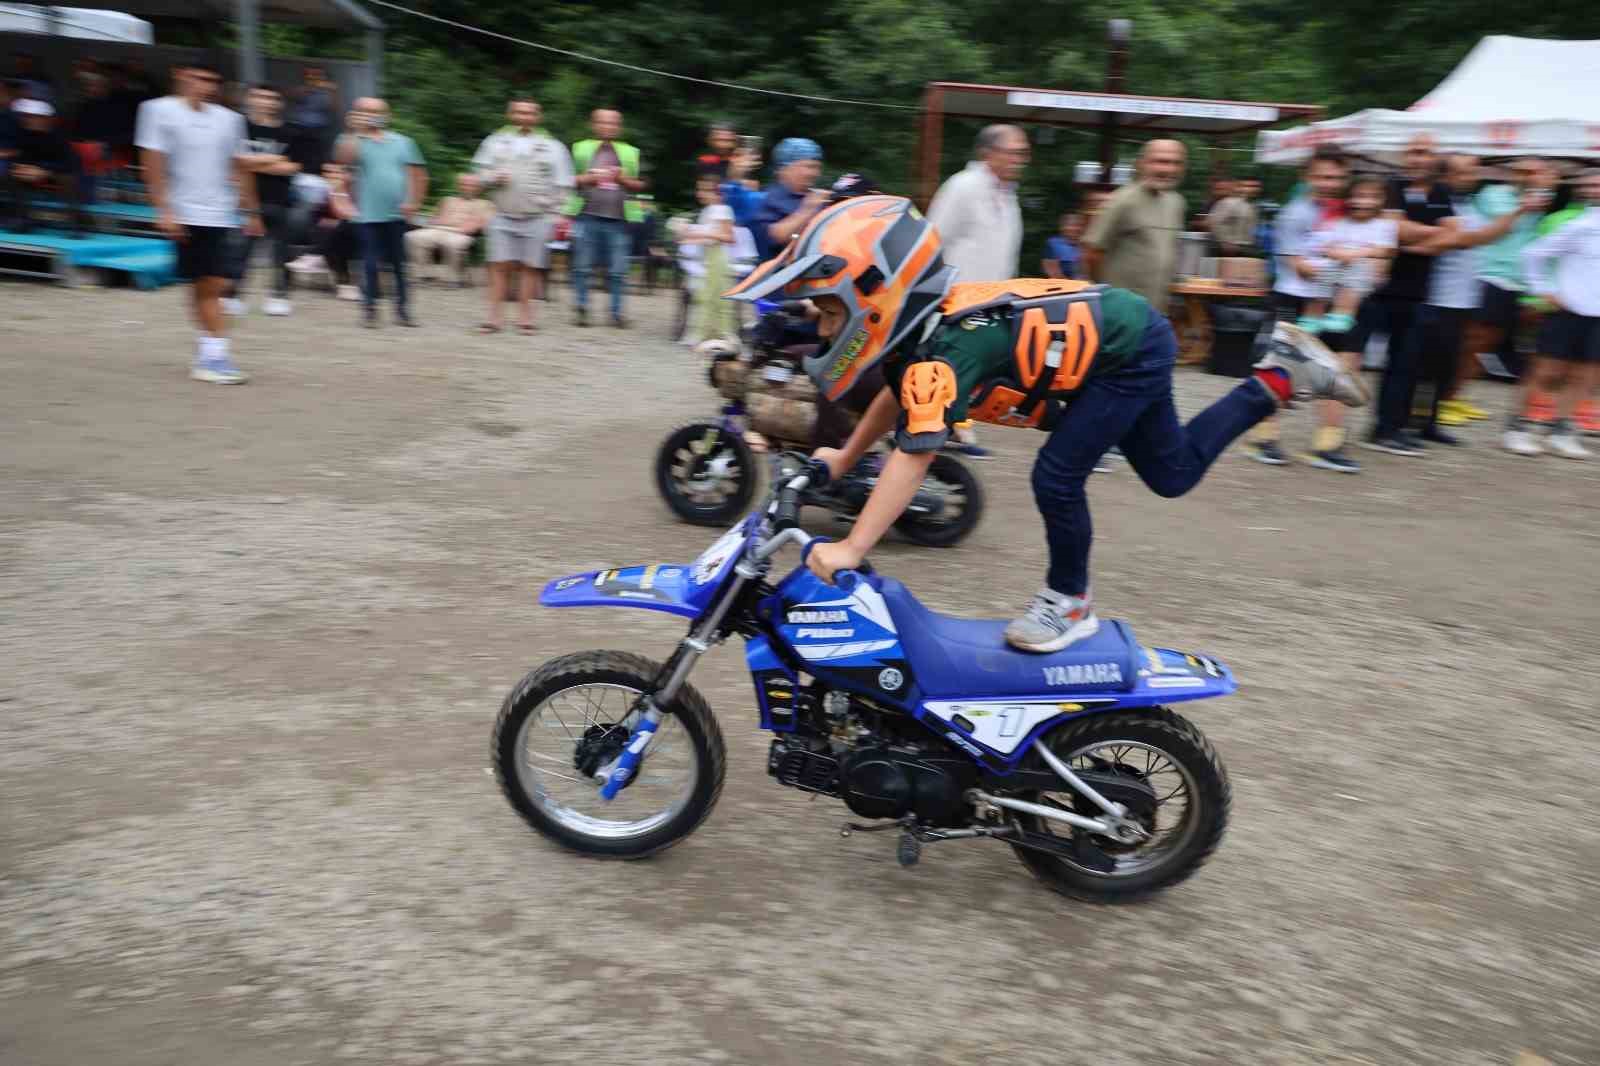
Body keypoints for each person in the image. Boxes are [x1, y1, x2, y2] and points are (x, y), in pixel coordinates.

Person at [728, 196, 1367, 651]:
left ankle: (1070, 602)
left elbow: (913, 454)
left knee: (1056, 477)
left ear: (876, 294)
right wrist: (841, 459)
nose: (820, 326)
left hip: (1126, 348)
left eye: (827, 310)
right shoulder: (917, 342)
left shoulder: (951, 351)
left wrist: (852, 547)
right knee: (1172, 474)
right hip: (1121, 340)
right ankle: (1280, 375)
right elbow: (895, 401)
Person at [136, 62, 261, 384]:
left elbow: (240, 166)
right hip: (185, 212)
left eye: (213, 80)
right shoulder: (156, 111)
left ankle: (209, 352)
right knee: (209, 285)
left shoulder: (230, 120)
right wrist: (163, 210)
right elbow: (152, 164)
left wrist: (252, 211)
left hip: (221, 213)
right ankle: (214, 356)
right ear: (181, 75)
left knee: (211, 284)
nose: (207, 85)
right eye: (200, 77)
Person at [1451, 157, 1558, 420]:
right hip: (1488, 275)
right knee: (1471, 341)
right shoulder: (1494, 194)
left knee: (1488, 345)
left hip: (1515, 281)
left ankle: (1456, 397)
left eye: (1536, 173)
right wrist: (1524, 205)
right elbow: (1500, 229)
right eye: (1525, 172)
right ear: (1513, 173)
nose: (1530, 177)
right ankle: (1444, 398)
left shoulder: (1535, 199)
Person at [1509, 169, 1600, 460]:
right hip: (1567, 311)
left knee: (1585, 376)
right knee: (1547, 372)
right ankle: (1518, 427)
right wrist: (1542, 290)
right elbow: (1533, 254)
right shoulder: (1582, 224)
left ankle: (1562, 429)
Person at [474, 96, 574, 333]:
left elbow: (564, 183)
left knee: (531, 267)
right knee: (498, 266)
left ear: (538, 117)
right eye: (519, 113)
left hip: (538, 216)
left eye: (529, 113)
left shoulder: (553, 147)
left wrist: (557, 215)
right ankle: (494, 317)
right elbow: (478, 174)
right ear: (510, 115)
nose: (524, 117)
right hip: (502, 213)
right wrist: (492, 177)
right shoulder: (495, 141)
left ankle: (525, 317)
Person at [336, 97, 427, 328]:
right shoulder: (353, 141)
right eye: (365, 111)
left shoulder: (404, 142)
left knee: (399, 264)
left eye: (376, 111)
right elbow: (343, 161)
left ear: (387, 115)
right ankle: (369, 309)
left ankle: (403, 310)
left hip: (396, 214)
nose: (371, 115)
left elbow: (418, 175)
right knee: (369, 262)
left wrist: (414, 202)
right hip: (367, 214)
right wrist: (354, 131)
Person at [227, 84, 309, 317]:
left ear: (280, 103)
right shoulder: (239, 127)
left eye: (273, 98)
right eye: (261, 96)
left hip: (281, 200)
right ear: (250, 99)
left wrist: (251, 162)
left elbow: (291, 167)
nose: (267, 101)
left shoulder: (291, 131)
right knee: (240, 252)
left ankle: (278, 296)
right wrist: (272, 159)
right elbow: (235, 164)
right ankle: (234, 296)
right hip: (244, 201)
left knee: (280, 253)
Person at [1085, 139, 1187, 315]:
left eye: (1175, 163)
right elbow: (1092, 252)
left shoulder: (1176, 202)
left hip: (1157, 312)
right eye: (1160, 161)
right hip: (1121, 313)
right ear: (1141, 164)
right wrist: (1109, 295)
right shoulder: (1122, 200)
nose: (1168, 169)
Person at [567, 108, 645, 328]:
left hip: (619, 219)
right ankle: (581, 308)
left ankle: (616, 313)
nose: (608, 127)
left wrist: (623, 179)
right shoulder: (580, 149)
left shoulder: (630, 152)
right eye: (603, 122)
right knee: (581, 266)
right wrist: (589, 178)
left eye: (613, 123)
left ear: (619, 127)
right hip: (585, 215)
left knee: (618, 270)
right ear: (594, 125)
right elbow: (567, 179)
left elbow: (640, 185)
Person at [927, 124, 1027, 283]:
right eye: (1012, 153)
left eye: (1022, 153)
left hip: (994, 300)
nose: (1018, 160)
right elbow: (932, 243)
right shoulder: (962, 186)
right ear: (987, 153)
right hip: (959, 299)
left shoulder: (1009, 196)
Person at [2, 99, 87, 235]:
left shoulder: (59, 136)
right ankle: (23, 218)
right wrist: (22, 168)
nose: (27, 119)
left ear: (45, 118)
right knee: (10, 173)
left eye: (31, 116)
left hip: (60, 175)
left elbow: (72, 164)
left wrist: (45, 171)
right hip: (34, 175)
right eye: (25, 116)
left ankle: (77, 222)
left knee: (67, 178)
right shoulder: (23, 133)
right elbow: (20, 157)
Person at [752, 136, 827, 263]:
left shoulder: (817, 198)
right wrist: (807, 210)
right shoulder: (765, 198)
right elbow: (774, 236)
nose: (815, 173)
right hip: (776, 277)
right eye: (809, 167)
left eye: (817, 167)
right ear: (784, 169)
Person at [288, 66, 338, 173]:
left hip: (319, 130)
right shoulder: (302, 88)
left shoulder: (327, 91)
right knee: (298, 155)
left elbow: (335, 108)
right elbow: (293, 96)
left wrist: (333, 92)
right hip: (300, 128)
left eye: (317, 75)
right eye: (310, 75)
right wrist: (312, 87)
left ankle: (316, 173)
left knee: (319, 156)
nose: (313, 77)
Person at [1208, 177, 1259, 256]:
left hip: (1244, 248)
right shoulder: (1228, 203)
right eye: (1248, 186)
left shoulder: (1251, 206)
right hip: (1229, 250)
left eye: (1255, 187)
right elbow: (1215, 222)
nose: (1252, 189)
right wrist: (1226, 242)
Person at [1041, 211, 1085, 279]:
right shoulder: (1053, 243)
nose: (1074, 228)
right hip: (1060, 286)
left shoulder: (1083, 245)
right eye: (1070, 225)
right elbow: (1051, 271)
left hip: (1081, 285)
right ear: (1062, 227)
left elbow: (1084, 272)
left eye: (1077, 225)